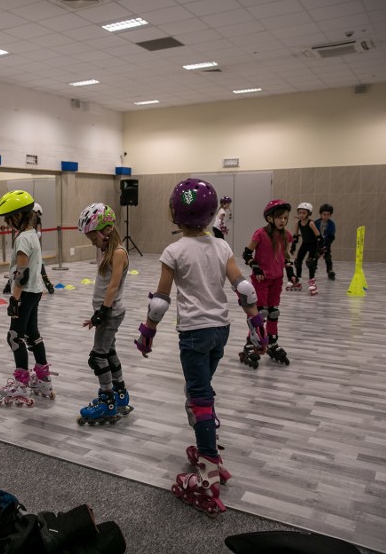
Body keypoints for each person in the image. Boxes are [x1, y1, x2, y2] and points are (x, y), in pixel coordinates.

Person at [133, 178, 266, 517]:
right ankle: (208, 449)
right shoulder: (221, 246)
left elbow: (160, 302)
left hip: (193, 333)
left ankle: (207, 470)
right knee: (201, 392)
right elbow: (245, 288)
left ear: (176, 213)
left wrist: (147, 334)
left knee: (200, 398)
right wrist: (256, 326)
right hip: (220, 331)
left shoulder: (173, 251)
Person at [0, 190, 53, 407]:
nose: (8, 224)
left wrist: (14, 300)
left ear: (18, 216)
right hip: (35, 291)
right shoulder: (33, 235)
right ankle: (43, 378)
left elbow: (21, 273)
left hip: (25, 293)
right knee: (32, 334)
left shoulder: (22, 240)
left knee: (14, 337)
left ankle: (21, 383)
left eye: (8, 219)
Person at [76, 202, 132, 426]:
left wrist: (102, 313)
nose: (93, 243)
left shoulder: (118, 252)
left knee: (97, 357)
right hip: (108, 312)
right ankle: (120, 393)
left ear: (107, 230)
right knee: (108, 351)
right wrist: (97, 315)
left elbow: (113, 286)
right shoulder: (110, 251)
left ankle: (107, 399)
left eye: (94, 238)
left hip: (111, 312)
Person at [240, 199, 297, 367]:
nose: (283, 221)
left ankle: (272, 342)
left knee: (273, 312)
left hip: (277, 280)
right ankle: (250, 344)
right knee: (260, 313)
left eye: (285, 218)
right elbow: (247, 254)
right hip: (261, 280)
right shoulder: (260, 234)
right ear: (270, 218)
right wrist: (256, 268)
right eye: (279, 217)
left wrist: (291, 272)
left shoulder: (286, 235)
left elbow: (286, 256)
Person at [290, 202, 321, 295]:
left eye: (304, 213)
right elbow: (295, 235)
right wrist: (293, 245)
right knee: (298, 262)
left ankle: (313, 283)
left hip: (313, 244)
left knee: (311, 263)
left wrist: (320, 249)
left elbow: (318, 236)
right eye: (300, 213)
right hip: (305, 243)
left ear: (309, 213)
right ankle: (298, 281)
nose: (301, 215)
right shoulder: (298, 223)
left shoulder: (311, 223)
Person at [33, 203, 55, 294]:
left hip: (34, 245)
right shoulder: (26, 220)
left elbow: (38, 232)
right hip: (30, 244)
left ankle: (47, 283)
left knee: (40, 263)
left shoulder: (37, 220)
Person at [316, 203, 336, 280]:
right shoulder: (316, 223)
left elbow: (332, 236)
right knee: (315, 257)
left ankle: (329, 270)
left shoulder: (331, 224)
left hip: (326, 243)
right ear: (321, 214)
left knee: (328, 257)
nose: (326, 216)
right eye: (324, 214)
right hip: (317, 243)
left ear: (330, 215)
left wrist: (326, 245)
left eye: (328, 214)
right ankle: (313, 269)